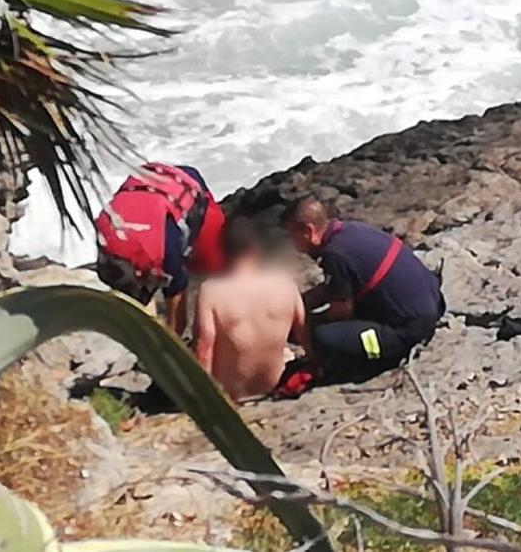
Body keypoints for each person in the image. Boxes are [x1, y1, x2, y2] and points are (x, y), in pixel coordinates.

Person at [281, 196, 444, 386]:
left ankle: (377, 359)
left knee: (323, 338)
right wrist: (299, 303)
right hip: (431, 303)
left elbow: (341, 312)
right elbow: (336, 289)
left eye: (294, 238)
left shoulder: (335, 255)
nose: (295, 245)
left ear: (308, 231)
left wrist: (304, 326)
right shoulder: (350, 231)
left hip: (410, 330)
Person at [94, 163, 226, 334]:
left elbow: (177, 312)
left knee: (216, 268)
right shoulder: (106, 238)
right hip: (152, 184)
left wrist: (171, 337)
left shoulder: (167, 251)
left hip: (187, 184)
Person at [192, 218, 308, 401]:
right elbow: (304, 334)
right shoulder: (284, 282)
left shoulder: (211, 291)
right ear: (256, 250)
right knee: (286, 352)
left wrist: (203, 397)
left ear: (223, 252)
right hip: (274, 384)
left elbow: (204, 350)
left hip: (232, 393)